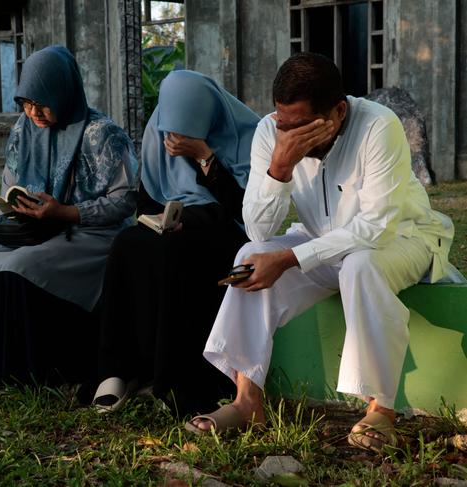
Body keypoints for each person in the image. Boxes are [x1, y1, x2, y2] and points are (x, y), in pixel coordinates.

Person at [186, 52, 463, 451]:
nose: (290, 135)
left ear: (338, 111)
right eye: (284, 125)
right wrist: (279, 167)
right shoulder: (272, 131)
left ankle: (381, 410)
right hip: (323, 242)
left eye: (303, 127)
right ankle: (247, 402)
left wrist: (290, 258)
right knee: (250, 255)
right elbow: (259, 228)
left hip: (403, 239)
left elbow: (376, 226)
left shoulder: (378, 126)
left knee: (360, 265)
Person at [0, 46, 139, 390]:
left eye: (42, 103)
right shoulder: (23, 129)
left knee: (21, 266)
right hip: (35, 231)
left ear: (63, 92)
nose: (33, 112)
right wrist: (19, 213)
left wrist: (65, 212)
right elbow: (9, 186)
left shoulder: (102, 134)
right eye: (26, 103)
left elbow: (125, 201)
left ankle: (34, 376)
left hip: (90, 234)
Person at [93, 70, 260, 415]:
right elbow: (149, 196)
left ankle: (173, 378)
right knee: (127, 244)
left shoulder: (249, 135)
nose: (173, 139)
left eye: (184, 131)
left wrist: (203, 154)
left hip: (225, 226)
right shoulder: (160, 130)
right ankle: (118, 370)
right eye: (171, 130)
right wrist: (159, 220)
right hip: (175, 224)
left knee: (175, 253)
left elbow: (245, 209)